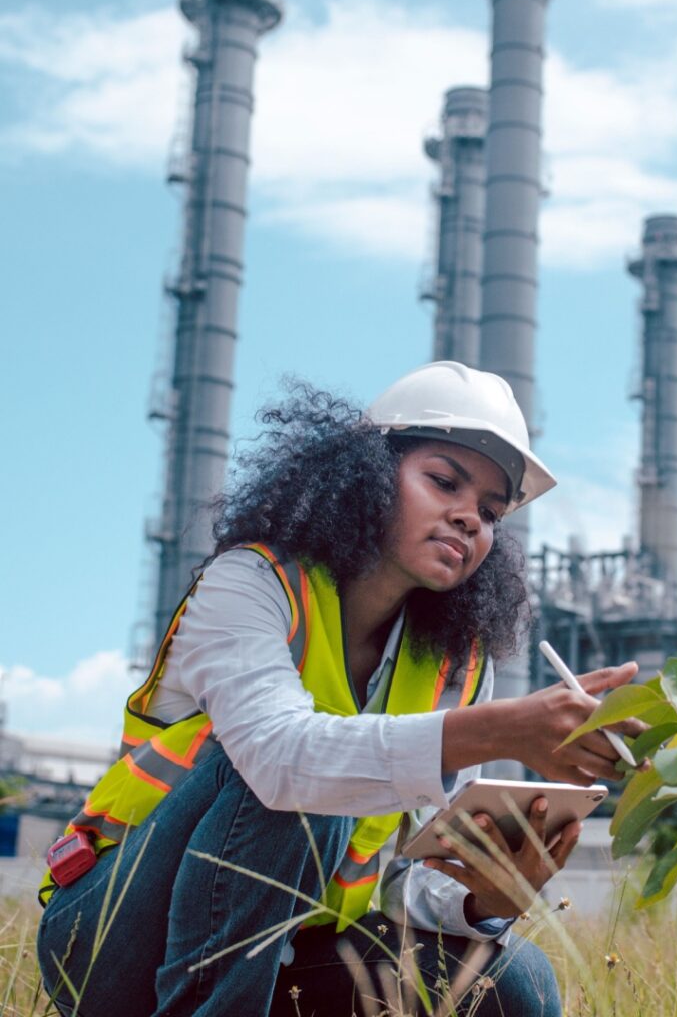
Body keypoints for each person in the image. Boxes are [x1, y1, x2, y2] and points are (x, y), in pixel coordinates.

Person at [36, 361, 641, 1017]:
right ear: (366, 474)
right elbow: (281, 761)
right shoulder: (252, 584)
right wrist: (500, 731)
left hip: (284, 957)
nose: (469, 518)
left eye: (491, 512)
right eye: (444, 482)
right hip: (107, 939)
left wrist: (482, 898)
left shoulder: (456, 668)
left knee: (517, 979)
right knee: (309, 786)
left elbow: (412, 882)